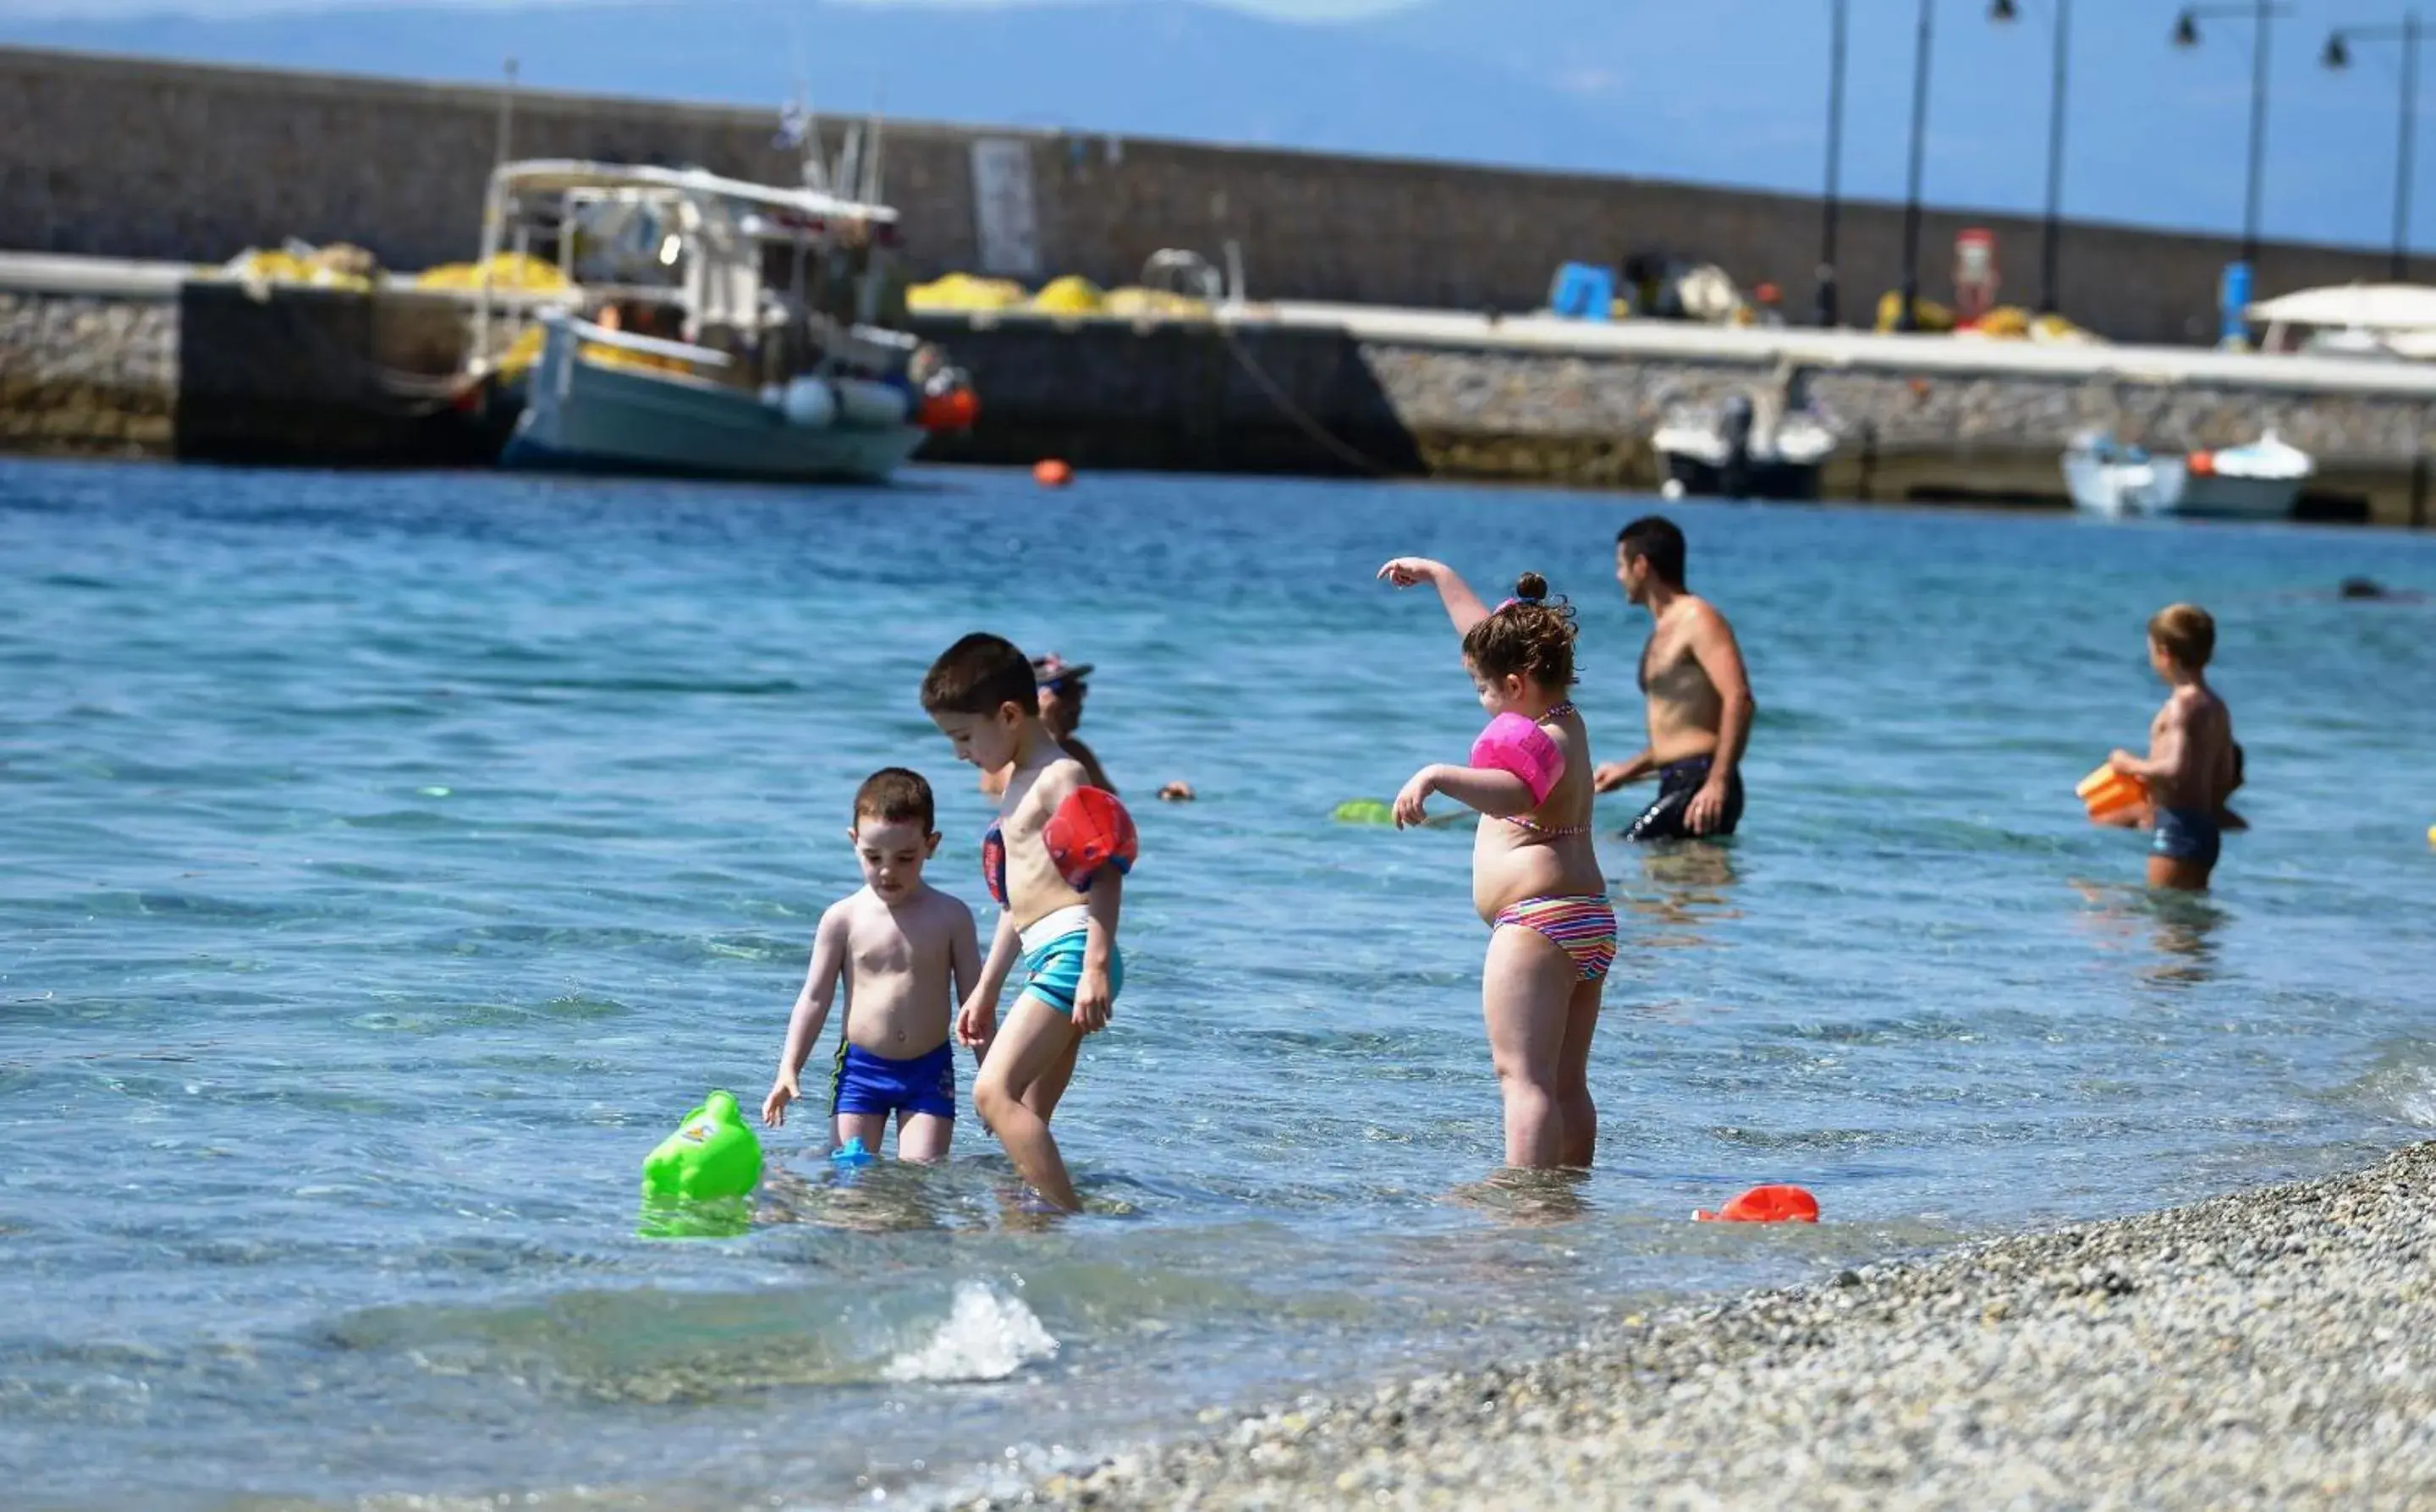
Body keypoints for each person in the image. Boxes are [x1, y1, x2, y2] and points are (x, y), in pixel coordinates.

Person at [1376, 559, 1616, 1170]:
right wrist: (1439, 576)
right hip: (1585, 918)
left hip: (1538, 925)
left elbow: (1515, 792)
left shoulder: (1545, 743)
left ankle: (1523, 1208)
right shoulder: (1561, 717)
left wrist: (1437, 776)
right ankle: (1566, 1197)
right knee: (1566, 1083)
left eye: (1483, 689)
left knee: (1523, 1079)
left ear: (1515, 683)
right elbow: (1486, 635)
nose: (1481, 700)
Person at [922, 633, 1137, 1212]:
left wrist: (1095, 966)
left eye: (964, 737)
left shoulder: (1058, 777)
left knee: (992, 1094)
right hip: (1050, 952)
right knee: (1027, 1112)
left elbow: (1106, 869)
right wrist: (987, 989)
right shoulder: (1019, 781)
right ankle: (1030, 1224)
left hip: (1074, 952)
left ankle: (1069, 1219)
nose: (960, 753)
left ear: (1010, 714)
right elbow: (1016, 902)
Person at [762, 768, 982, 1162]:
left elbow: (977, 1008)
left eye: (905, 858)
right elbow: (813, 999)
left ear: (931, 845)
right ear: (854, 842)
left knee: (920, 1178)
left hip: (929, 1072)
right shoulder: (842, 919)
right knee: (852, 1177)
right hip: (861, 1070)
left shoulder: (952, 917)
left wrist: (991, 1081)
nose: (887, 870)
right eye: (873, 856)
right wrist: (788, 1068)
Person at [1593, 517, 1757, 841]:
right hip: (1678, 779)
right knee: (1678, 886)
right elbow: (1679, 732)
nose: (1618, 576)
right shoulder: (1663, 629)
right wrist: (1627, 771)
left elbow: (1739, 698)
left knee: (1616, 854)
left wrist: (1718, 782)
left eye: (1620, 565)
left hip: (1701, 784)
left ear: (1640, 565)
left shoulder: (1698, 619)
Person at [2106, 604, 2238, 892]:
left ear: (2164, 653)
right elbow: (2225, 775)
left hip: (2178, 828)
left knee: (2167, 925)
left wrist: (2127, 764)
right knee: (2187, 928)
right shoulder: (2216, 706)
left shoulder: (2182, 704)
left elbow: (2175, 767)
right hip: (2205, 829)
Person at [981, 654, 1196, 803]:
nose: (1077, 700)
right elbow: (1027, 800)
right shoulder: (1007, 753)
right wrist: (1047, 728)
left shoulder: (1075, 750)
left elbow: (1111, 801)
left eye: (1079, 689)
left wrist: (1163, 795)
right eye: (1064, 691)